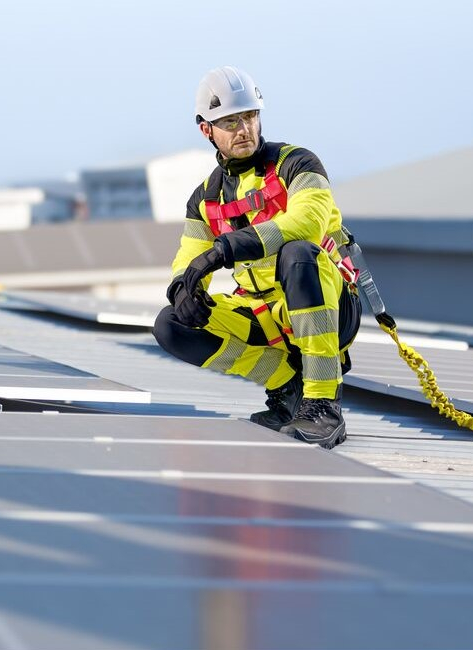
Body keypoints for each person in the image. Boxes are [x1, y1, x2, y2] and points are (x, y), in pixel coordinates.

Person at [153, 65, 361, 449]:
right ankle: (286, 388)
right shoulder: (205, 198)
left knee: (299, 255)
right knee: (171, 323)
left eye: (249, 116)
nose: (243, 129)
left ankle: (322, 405)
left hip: (327, 306)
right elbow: (188, 257)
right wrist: (183, 287)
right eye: (230, 121)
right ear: (206, 130)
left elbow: (307, 223)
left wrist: (225, 249)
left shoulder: (297, 164)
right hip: (265, 318)